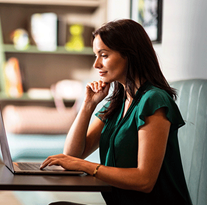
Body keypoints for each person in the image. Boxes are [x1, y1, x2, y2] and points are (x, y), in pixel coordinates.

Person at [40, 19, 192, 205]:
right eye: (96, 55)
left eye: (103, 55)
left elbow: (145, 180)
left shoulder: (153, 100)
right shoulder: (117, 103)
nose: (96, 64)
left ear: (129, 55)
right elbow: (72, 154)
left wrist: (86, 166)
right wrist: (88, 105)